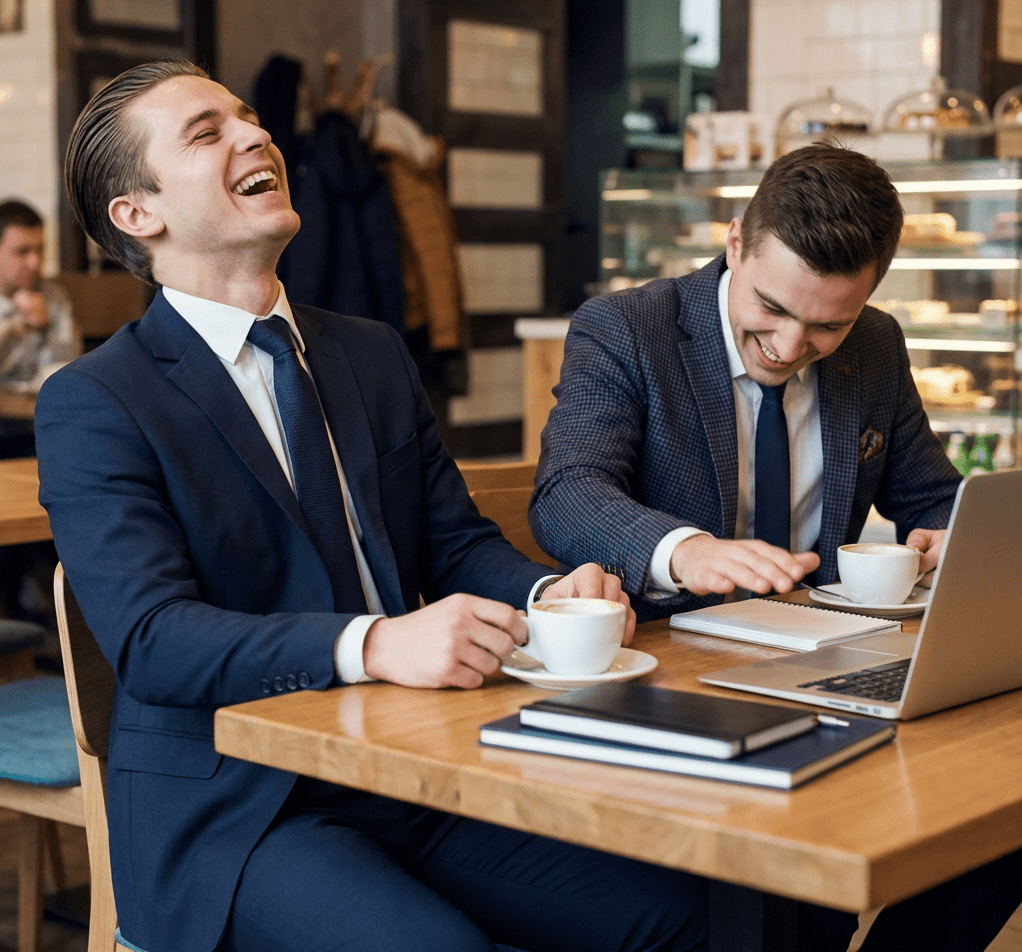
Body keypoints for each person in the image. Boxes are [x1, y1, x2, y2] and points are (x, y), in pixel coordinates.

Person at [35, 59, 709, 952]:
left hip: (411, 770)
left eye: (248, 118)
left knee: (694, 912)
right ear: (137, 214)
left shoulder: (369, 352)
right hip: (238, 811)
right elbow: (154, 640)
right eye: (208, 132)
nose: (255, 134)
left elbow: (453, 543)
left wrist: (549, 598)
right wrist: (378, 642)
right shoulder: (96, 399)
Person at [530, 140, 1022, 949]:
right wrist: (684, 549)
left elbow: (930, 493)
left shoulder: (876, 346)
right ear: (735, 243)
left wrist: (950, 535)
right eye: (772, 309)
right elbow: (566, 494)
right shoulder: (626, 329)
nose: (791, 346)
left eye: (828, 324)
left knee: (1000, 812)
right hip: (671, 678)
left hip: (829, 662)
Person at [0, 200, 80, 457]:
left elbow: (66, 368)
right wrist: (12, 326)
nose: (35, 262)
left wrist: (44, 328)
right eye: (22, 252)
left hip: (43, 421)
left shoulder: (54, 296)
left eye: (40, 250)